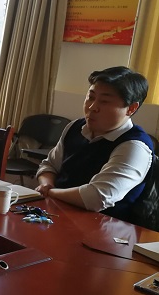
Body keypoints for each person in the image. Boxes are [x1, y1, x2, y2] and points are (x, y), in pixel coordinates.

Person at [36, 67, 153, 221]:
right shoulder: (75, 127)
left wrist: (50, 192)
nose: (92, 107)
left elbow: (96, 198)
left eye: (104, 101)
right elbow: (49, 165)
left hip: (103, 227)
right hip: (56, 213)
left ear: (131, 108)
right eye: (90, 97)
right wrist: (47, 185)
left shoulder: (134, 146)